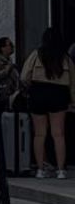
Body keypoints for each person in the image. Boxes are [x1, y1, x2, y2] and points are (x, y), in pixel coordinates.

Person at [21, 28, 75, 179]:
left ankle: (40, 169)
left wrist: (28, 89)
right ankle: (61, 170)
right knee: (58, 134)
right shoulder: (65, 58)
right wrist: (73, 100)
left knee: (39, 134)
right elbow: (73, 82)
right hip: (59, 94)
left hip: (38, 92)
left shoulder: (36, 55)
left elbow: (25, 75)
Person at [0, 37, 21, 109]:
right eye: (9, 45)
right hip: (1, 98)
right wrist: (6, 71)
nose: (12, 47)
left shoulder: (9, 61)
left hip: (11, 97)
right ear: (2, 48)